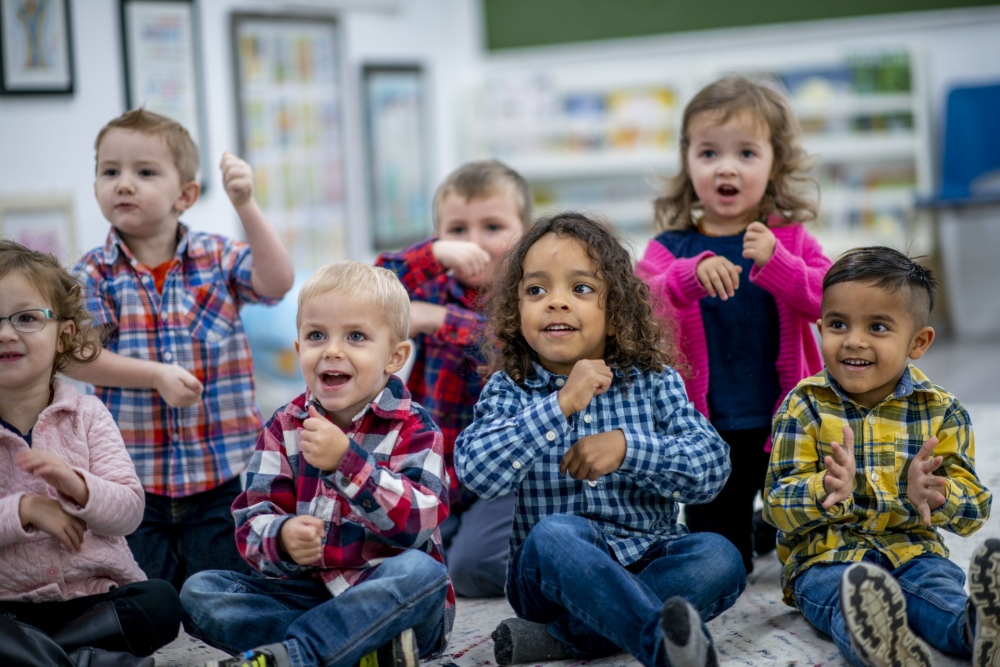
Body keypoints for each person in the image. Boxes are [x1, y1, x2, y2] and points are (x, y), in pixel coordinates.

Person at [456, 213, 745, 667]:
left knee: (720, 557)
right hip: (550, 577)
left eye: (581, 289)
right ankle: (657, 644)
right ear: (516, 314)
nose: (556, 303)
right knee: (555, 532)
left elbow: (711, 468)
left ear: (615, 316)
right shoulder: (510, 388)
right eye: (536, 290)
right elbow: (476, 472)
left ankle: (559, 640)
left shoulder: (654, 382)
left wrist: (631, 449)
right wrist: (560, 404)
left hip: (647, 557)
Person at [180, 262, 454, 667]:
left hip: (389, 599)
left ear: (395, 357)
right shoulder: (284, 426)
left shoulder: (415, 428)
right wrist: (283, 536)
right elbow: (251, 519)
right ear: (298, 350)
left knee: (422, 574)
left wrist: (348, 463)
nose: (332, 350)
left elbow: (420, 523)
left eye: (356, 336)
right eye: (316, 336)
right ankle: (360, 654)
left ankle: (299, 654)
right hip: (308, 596)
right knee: (201, 592)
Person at [70, 109, 295, 590]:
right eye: (110, 172)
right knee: (146, 595)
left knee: (221, 590)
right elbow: (77, 356)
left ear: (185, 195)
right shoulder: (92, 273)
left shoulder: (216, 256)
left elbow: (276, 282)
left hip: (221, 474)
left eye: (144, 172)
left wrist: (246, 204)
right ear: (95, 187)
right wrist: (154, 375)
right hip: (134, 480)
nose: (124, 184)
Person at [762, 246, 998, 666]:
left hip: (913, 551)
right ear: (820, 330)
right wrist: (824, 488)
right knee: (849, 600)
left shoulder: (941, 411)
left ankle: (979, 631)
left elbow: (976, 509)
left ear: (918, 342)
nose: (854, 340)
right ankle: (883, 648)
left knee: (939, 595)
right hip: (825, 560)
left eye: (877, 326)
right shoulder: (804, 405)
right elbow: (776, 506)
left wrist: (940, 495)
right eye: (838, 324)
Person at [635, 76, 831, 573]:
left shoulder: (790, 238)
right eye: (708, 153)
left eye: (746, 153)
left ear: (774, 163)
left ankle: (771, 522)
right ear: (687, 161)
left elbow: (831, 300)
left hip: (787, 427)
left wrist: (780, 262)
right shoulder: (671, 247)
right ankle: (748, 527)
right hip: (706, 432)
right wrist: (686, 277)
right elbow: (634, 309)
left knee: (813, 545)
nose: (726, 167)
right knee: (721, 561)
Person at [0, 239, 182, 667]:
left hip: (94, 600)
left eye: (26, 318)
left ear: (64, 336)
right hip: (9, 608)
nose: (5, 332)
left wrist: (75, 486)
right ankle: (86, 661)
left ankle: (46, 660)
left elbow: (130, 511)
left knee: (160, 601)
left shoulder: (89, 414)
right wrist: (25, 509)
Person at [376, 159, 530, 597]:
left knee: (473, 569)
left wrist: (438, 319)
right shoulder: (432, 285)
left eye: (493, 226)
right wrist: (433, 255)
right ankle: (446, 540)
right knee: (378, 550)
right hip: (435, 467)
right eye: (458, 230)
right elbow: (371, 284)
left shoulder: (532, 292)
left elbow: (509, 347)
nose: (474, 243)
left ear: (526, 232)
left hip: (504, 473)